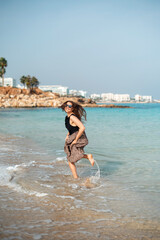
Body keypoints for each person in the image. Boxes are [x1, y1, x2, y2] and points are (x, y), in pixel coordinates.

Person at [60, 100, 94, 179]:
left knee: (71, 159)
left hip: (78, 137)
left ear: (72, 108)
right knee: (71, 159)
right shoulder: (67, 117)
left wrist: (75, 140)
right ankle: (76, 177)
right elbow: (72, 128)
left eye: (69, 106)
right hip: (73, 136)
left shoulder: (72, 117)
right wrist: (68, 135)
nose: (67, 107)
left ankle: (76, 177)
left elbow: (82, 128)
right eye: (66, 105)